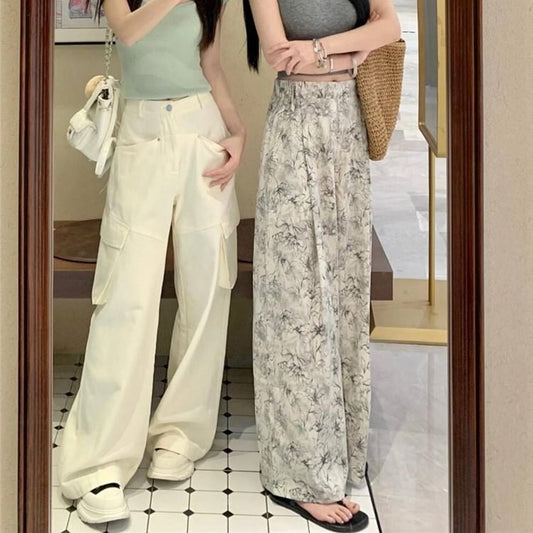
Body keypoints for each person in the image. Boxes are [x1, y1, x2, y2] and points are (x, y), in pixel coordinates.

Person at [58, 0, 245, 524]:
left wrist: (238, 132)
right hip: (142, 130)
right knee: (126, 297)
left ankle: (179, 433)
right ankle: (98, 463)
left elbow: (210, 62)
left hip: (202, 129)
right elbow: (129, 31)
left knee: (207, 285)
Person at [244, 0, 400, 531]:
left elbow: (389, 26)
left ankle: (342, 450)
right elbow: (277, 55)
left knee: (346, 291)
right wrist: (354, 49)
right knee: (297, 302)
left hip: (347, 127)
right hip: (297, 125)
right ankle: (301, 474)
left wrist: (321, 50)